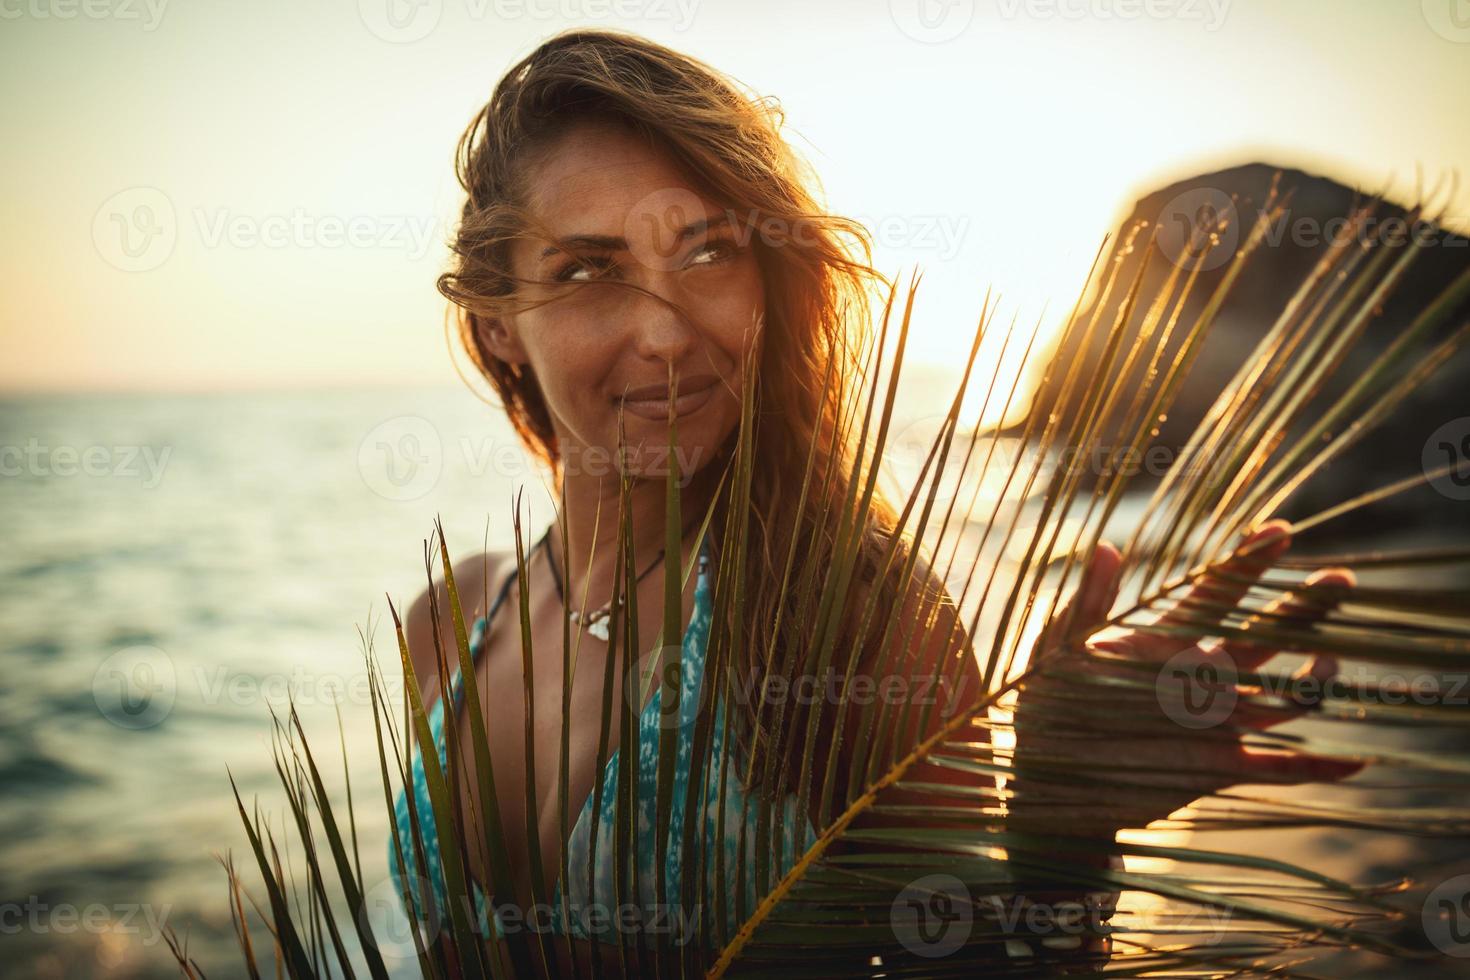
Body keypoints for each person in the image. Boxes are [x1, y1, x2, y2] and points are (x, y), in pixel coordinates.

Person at [387, 28, 1358, 976]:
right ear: (498, 324)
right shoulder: (453, 619)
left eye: (706, 251)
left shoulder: (850, 619)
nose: (666, 332)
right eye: (588, 269)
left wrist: (1065, 827)